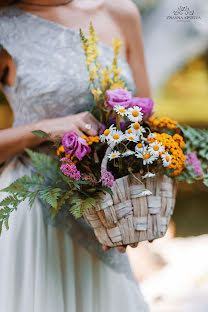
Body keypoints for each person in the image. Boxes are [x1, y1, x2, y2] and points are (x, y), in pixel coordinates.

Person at [0, 0, 150, 311]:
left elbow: (148, 124)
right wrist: (45, 128)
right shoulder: (5, 24)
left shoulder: (121, 13)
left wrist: (135, 204)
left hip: (106, 214)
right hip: (35, 219)